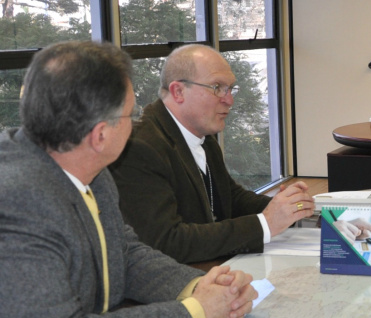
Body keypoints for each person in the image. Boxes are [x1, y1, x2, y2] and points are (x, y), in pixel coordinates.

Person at [0, 41, 258, 318]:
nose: (137, 124)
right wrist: (196, 313)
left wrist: (199, 287)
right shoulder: (19, 203)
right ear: (101, 135)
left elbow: (124, 251)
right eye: (132, 114)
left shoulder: (91, 169)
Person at [109, 44, 315, 263]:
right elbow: (166, 242)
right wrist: (266, 223)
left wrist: (292, 210)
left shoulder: (202, 135)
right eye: (217, 87)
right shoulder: (140, 148)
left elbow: (229, 197)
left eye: (230, 89)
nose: (229, 100)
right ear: (178, 91)